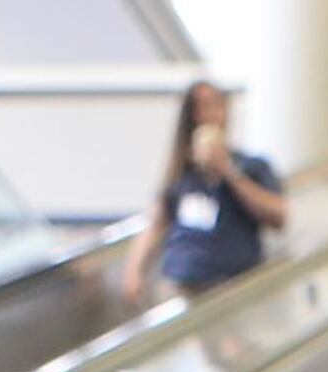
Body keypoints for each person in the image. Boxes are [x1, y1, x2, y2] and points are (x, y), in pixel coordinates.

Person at [123, 81, 287, 305]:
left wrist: (227, 171)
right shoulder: (180, 174)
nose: (207, 116)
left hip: (231, 285)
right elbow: (156, 224)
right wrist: (135, 271)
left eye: (215, 107)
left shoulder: (252, 167)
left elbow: (278, 216)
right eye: (199, 109)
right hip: (180, 283)